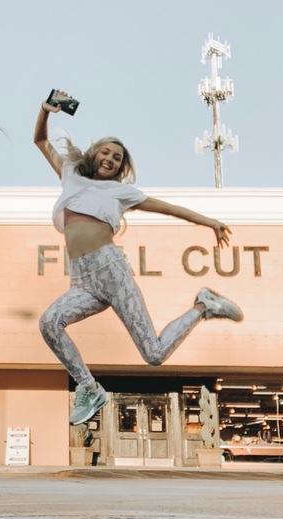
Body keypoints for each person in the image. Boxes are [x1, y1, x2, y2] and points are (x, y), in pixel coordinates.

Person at [34, 95, 244, 426]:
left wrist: (210, 222)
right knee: (49, 323)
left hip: (111, 271)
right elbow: (40, 140)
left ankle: (204, 306)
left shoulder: (122, 193)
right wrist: (45, 111)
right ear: (95, 153)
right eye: (106, 152)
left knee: (154, 354)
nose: (110, 159)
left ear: (121, 168)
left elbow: (170, 209)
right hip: (82, 281)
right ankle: (89, 388)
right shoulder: (71, 173)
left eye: (117, 158)